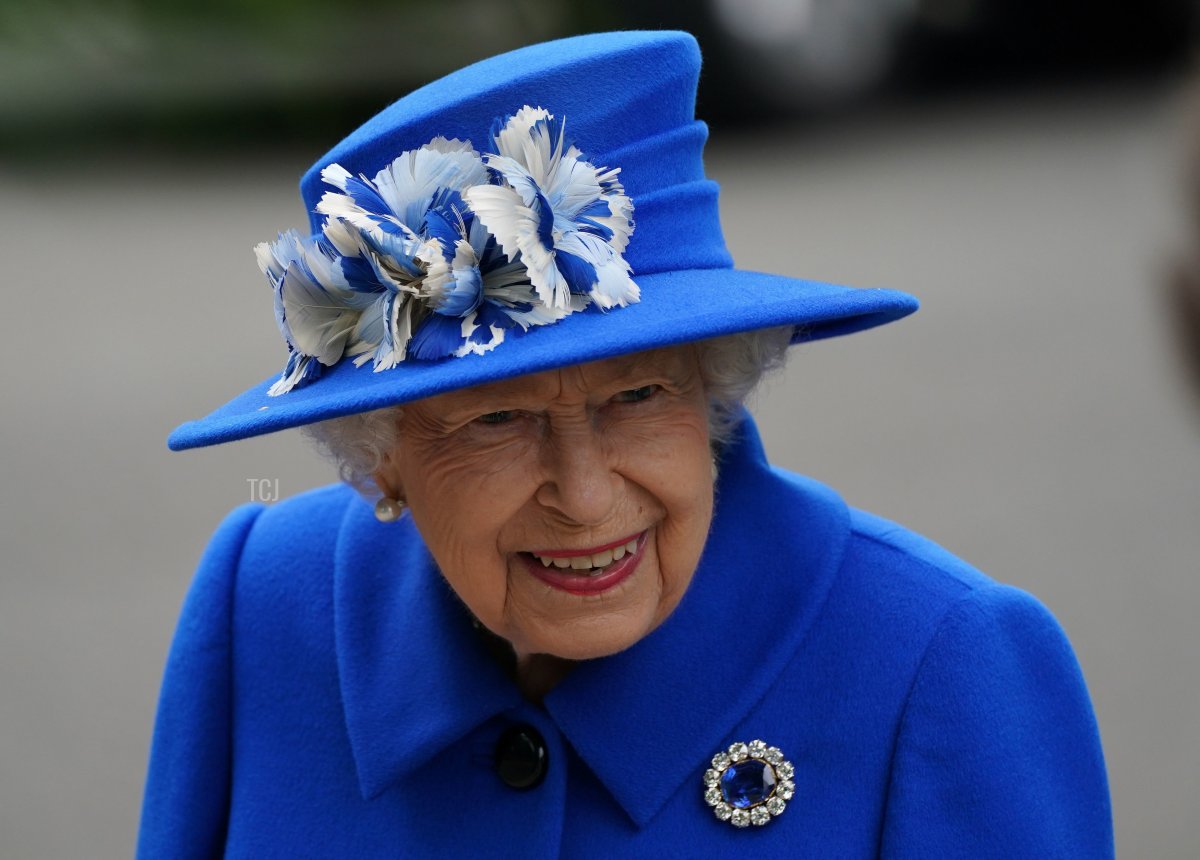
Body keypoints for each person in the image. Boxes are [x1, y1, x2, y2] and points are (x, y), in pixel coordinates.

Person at [137, 30, 1113, 858]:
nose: (586, 493)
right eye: (496, 420)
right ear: (378, 452)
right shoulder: (265, 602)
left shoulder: (936, 662)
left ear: (716, 385)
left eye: (637, 394)